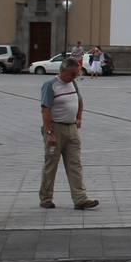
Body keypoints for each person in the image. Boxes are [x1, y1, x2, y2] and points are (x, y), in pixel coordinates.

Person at [39, 56, 99, 210]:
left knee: (75, 164)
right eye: (72, 74)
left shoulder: (72, 83)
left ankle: (80, 198)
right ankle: (46, 198)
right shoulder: (50, 85)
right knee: (51, 164)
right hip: (55, 128)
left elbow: (79, 100)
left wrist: (79, 117)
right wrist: (50, 132)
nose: (75, 77)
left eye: (77, 74)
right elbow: (45, 110)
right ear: (63, 71)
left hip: (71, 129)